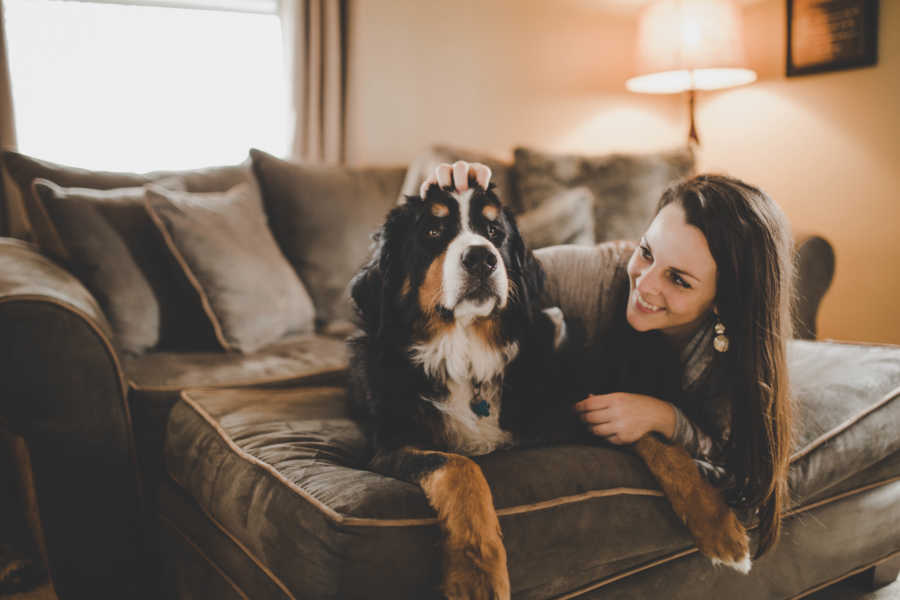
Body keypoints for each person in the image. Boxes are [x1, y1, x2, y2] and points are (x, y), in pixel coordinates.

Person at [421, 164, 794, 558]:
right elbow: (493, 276)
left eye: (679, 280)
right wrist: (448, 218)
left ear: (725, 301)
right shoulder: (600, 275)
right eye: (646, 252)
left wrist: (664, 417)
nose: (645, 285)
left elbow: (741, 465)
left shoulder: (739, 359)